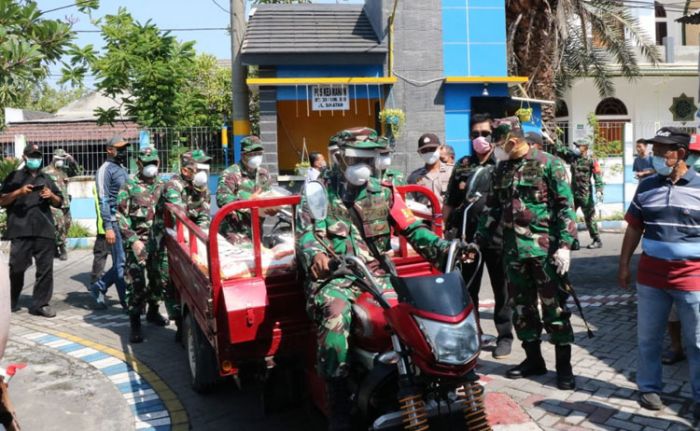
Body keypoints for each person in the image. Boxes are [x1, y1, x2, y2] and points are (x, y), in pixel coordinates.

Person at [296, 127, 452, 430]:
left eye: (370, 157)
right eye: (357, 157)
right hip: (337, 276)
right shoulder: (318, 191)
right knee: (335, 318)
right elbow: (306, 236)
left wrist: (442, 247)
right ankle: (338, 401)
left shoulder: (383, 191)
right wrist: (316, 257)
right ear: (339, 157)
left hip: (378, 275)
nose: (364, 165)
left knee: (414, 314)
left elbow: (411, 227)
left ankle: (424, 381)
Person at [476, 119, 579, 390]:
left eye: (498, 144)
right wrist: (478, 240)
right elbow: (493, 209)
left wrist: (565, 245)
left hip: (545, 252)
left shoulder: (550, 163)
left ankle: (564, 368)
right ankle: (534, 360)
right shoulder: (502, 169)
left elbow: (565, 207)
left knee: (554, 308)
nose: (496, 149)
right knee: (522, 309)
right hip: (513, 252)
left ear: (512, 141)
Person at [618, 127, 700, 419]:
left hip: (692, 277)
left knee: (697, 341)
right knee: (648, 337)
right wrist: (625, 264)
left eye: (659, 150)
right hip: (652, 275)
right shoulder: (647, 186)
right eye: (652, 149)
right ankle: (649, 387)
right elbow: (634, 227)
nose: (653, 155)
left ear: (679, 154)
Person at [443, 113, 513, 359]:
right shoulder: (463, 164)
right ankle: (473, 334)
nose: (480, 139)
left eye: (484, 134)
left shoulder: (502, 164)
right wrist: (444, 229)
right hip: (467, 238)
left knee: (501, 289)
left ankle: (505, 337)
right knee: (468, 288)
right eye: (475, 135)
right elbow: (451, 200)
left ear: (493, 137)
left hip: (497, 237)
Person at [0, 144, 63, 317]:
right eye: (32, 156)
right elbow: (2, 200)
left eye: (37, 156)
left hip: (44, 230)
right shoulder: (14, 177)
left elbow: (59, 202)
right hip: (19, 229)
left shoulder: (47, 178)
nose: (35, 159)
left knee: (45, 270)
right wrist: (19, 192)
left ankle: (40, 304)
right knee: (16, 268)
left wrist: (51, 196)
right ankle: (10, 301)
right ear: (24, 157)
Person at [155, 149, 212, 341]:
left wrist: (202, 238)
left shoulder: (201, 186)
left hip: (189, 238)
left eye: (205, 167)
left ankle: (191, 320)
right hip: (167, 239)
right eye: (199, 167)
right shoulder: (173, 186)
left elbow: (204, 213)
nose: (204, 171)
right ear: (186, 171)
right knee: (169, 280)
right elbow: (179, 217)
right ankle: (179, 323)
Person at [117, 147, 168, 343]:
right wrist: (133, 240)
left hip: (160, 243)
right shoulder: (129, 186)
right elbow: (120, 215)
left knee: (159, 280)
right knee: (136, 283)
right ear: (138, 164)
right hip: (137, 243)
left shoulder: (164, 185)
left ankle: (153, 312)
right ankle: (135, 322)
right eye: (146, 163)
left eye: (153, 163)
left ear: (159, 163)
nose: (150, 167)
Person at [90, 136, 129, 309]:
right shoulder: (105, 170)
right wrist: (108, 226)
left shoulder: (121, 168)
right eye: (119, 148)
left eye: (124, 148)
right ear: (109, 150)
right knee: (121, 262)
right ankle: (121, 299)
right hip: (114, 221)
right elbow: (103, 199)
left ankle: (103, 287)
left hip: (126, 222)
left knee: (124, 262)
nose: (123, 151)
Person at [216, 136, 273, 238]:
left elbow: (268, 194)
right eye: (252, 154)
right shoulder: (231, 173)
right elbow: (222, 198)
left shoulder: (264, 174)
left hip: (256, 231)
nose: (256, 157)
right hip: (234, 232)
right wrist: (248, 201)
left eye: (259, 154)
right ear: (243, 155)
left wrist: (272, 207)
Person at [554, 137, 604, 249]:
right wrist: (554, 139)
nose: (576, 148)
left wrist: (599, 190)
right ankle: (573, 241)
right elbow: (561, 150)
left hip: (585, 194)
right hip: (573, 193)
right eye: (576, 146)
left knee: (589, 218)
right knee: (569, 216)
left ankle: (597, 240)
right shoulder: (573, 158)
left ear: (585, 148)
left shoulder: (592, 160)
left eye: (578, 146)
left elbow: (598, 176)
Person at [42, 149, 74, 261]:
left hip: (65, 203)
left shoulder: (64, 171)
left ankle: (56, 246)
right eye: (59, 159)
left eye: (63, 159)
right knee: (59, 225)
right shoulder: (45, 171)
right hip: (53, 204)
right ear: (54, 158)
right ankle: (62, 248)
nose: (61, 161)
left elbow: (77, 172)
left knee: (67, 224)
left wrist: (71, 160)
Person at [407, 133, 453, 207]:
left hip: (447, 217)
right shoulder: (413, 177)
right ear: (419, 153)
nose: (429, 152)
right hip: (424, 217)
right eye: (424, 150)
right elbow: (411, 203)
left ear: (440, 149)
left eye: (432, 149)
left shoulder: (452, 172)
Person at [90, 184, 110, 285]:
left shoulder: (98, 184)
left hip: (106, 227)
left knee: (100, 256)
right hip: (105, 227)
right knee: (100, 255)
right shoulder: (101, 186)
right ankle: (95, 283)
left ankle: (95, 282)